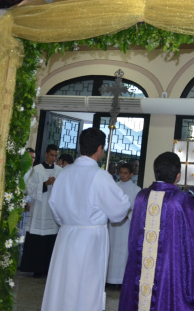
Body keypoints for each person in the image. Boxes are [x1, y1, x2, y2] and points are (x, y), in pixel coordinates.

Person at [41, 128, 131, 311]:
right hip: (90, 240)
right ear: (99, 148)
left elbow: (54, 205)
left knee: (63, 284)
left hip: (66, 236)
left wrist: (68, 222)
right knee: (86, 286)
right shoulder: (100, 176)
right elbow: (120, 209)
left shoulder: (64, 173)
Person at [119, 152, 194, 311]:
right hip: (168, 272)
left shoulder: (141, 197)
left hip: (140, 269)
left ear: (155, 172)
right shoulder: (181, 200)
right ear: (178, 176)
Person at [20, 144, 61, 277]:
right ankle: (35, 268)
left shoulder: (60, 171)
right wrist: (45, 184)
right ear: (46, 154)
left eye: (56, 155)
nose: (54, 158)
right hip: (39, 208)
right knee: (37, 240)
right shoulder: (37, 169)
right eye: (51, 155)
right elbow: (29, 188)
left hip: (51, 210)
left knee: (50, 240)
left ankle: (47, 270)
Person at [106, 163, 141, 286]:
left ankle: (122, 281)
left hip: (126, 225)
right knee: (111, 249)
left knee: (123, 251)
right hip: (114, 224)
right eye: (121, 172)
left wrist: (127, 215)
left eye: (125, 173)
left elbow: (137, 209)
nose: (122, 175)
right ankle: (109, 279)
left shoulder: (136, 190)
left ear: (131, 174)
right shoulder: (114, 186)